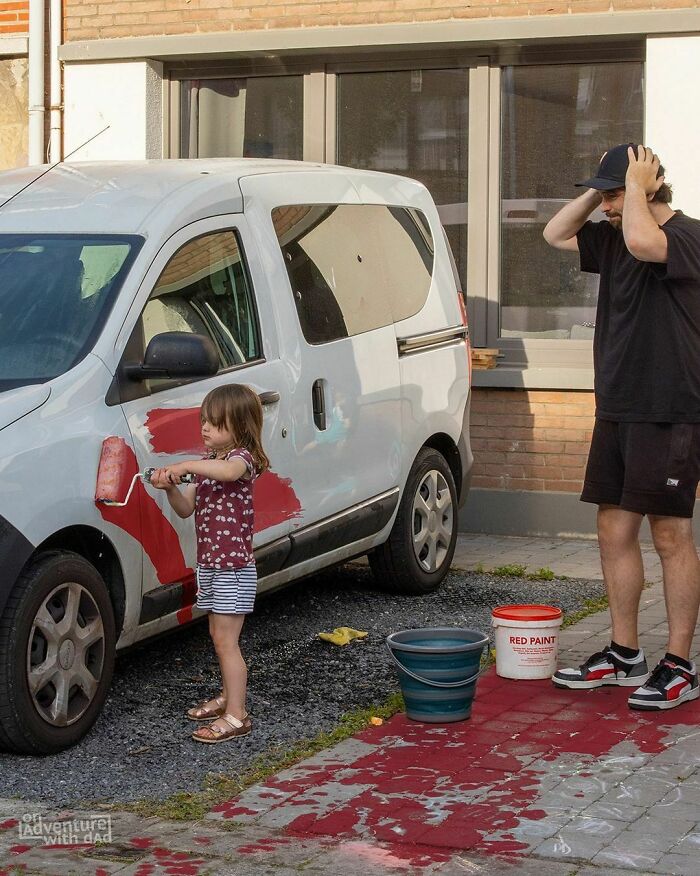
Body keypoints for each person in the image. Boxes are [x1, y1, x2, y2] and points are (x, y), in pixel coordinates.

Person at [543, 143, 700, 710]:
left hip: (670, 407)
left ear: (650, 184)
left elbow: (643, 241)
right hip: (617, 404)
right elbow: (554, 233)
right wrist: (599, 188)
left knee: (670, 535)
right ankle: (623, 653)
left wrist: (633, 188)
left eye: (615, 193)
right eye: (605, 194)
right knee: (613, 531)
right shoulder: (610, 233)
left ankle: (680, 664)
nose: (608, 205)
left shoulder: (686, 236)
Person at [148, 383, 269, 741]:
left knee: (227, 642)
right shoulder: (206, 467)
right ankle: (229, 697)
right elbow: (186, 509)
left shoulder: (243, 460)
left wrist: (184, 464)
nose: (205, 428)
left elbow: (230, 473)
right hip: (212, 566)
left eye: (215, 423)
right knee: (218, 637)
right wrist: (170, 486)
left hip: (234, 569)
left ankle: (237, 715)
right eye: (204, 421)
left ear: (241, 427)